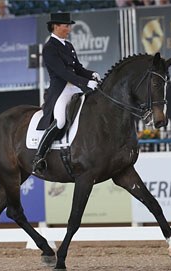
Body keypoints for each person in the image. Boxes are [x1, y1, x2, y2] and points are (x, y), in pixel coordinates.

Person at [32, 12, 101, 174]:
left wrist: (91, 74)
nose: (69, 29)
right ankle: (39, 156)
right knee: (61, 120)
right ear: (55, 26)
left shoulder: (68, 45)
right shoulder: (49, 48)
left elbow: (78, 69)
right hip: (61, 89)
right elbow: (62, 72)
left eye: (69, 26)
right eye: (66, 26)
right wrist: (85, 82)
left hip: (76, 86)